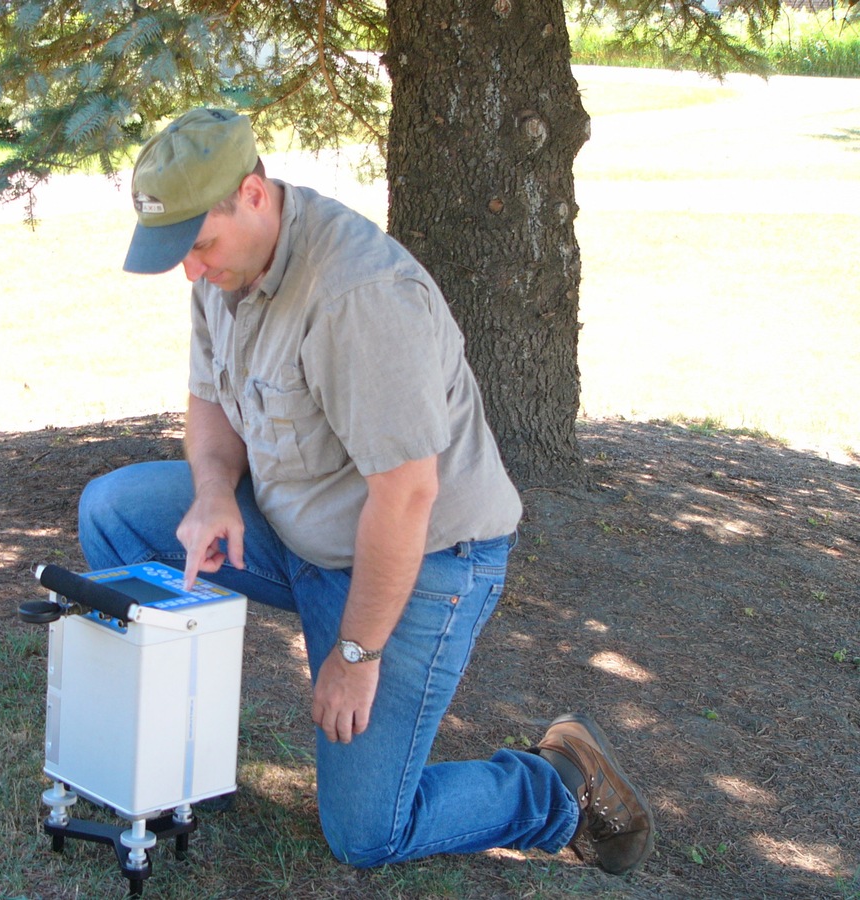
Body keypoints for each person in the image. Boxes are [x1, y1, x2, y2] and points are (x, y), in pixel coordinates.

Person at [78, 108, 654, 874]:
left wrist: (353, 655)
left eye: (200, 245)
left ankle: (558, 789)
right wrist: (214, 492)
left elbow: (409, 495)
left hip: (424, 565)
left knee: (367, 833)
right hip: (300, 532)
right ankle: (179, 764)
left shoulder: (359, 296)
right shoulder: (226, 266)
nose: (191, 269)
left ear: (252, 193)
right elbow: (211, 400)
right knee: (114, 515)